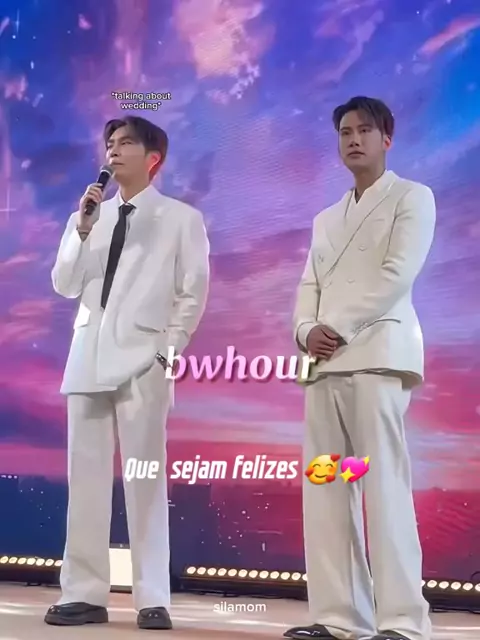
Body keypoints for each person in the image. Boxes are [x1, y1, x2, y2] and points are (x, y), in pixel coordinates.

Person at [45, 115, 210, 629]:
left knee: (144, 479)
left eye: (125, 143)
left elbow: (192, 291)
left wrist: (168, 351)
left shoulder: (180, 218)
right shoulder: (90, 216)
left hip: (144, 360)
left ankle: (152, 597)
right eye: (110, 143)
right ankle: (83, 592)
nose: (113, 151)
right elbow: (64, 284)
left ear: (153, 157)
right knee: (85, 479)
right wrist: (81, 229)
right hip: (87, 356)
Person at [286, 97, 436, 640]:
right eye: (345, 132)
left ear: (386, 138)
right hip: (323, 363)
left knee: (383, 486)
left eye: (365, 130)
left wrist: (336, 326)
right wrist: (306, 330)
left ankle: (404, 621)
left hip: (376, 356)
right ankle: (339, 617)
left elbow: (397, 273)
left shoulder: (411, 196)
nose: (353, 139)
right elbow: (308, 285)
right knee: (326, 487)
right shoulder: (326, 218)